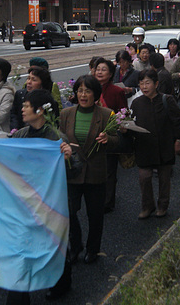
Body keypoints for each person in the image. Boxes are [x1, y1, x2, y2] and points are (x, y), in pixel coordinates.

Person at [7, 89, 73, 304]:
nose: (22, 109)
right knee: (24, 247)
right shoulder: (21, 134)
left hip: (49, 203)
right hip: (25, 202)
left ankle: (62, 281)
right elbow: (1, 148)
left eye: (25, 106)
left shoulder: (55, 137)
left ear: (39, 110)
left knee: (53, 243)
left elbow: (77, 168)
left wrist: (68, 158)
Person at [59, 75, 118, 265]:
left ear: (96, 94)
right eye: (80, 91)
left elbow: (120, 141)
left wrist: (109, 139)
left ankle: (93, 249)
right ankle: (76, 245)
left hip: (95, 173)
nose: (83, 95)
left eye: (88, 91)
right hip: (72, 172)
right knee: (68, 212)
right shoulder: (66, 114)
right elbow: (59, 139)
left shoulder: (106, 114)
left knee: (95, 215)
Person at [127, 69, 180, 218]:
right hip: (144, 147)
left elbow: (178, 121)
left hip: (164, 145)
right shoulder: (136, 103)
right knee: (144, 177)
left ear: (156, 84)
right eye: (141, 83)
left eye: (148, 83)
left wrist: (178, 139)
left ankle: (162, 205)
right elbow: (131, 123)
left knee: (164, 178)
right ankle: (147, 206)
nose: (144, 87)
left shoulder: (167, 100)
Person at [94, 58, 127, 213]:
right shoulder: (89, 89)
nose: (99, 72)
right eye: (97, 69)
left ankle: (107, 201)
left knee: (109, 171)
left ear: (111, 73)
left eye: (103, 69)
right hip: (92, 135)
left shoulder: (117, 91)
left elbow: (123, 113)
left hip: (110, 135)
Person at [9, 65, 55, 132]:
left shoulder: (48, 101)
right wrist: (15, 129)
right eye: (28, 78)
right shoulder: (20, 95)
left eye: (34, 80)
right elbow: (14, 114)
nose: (29, 82)